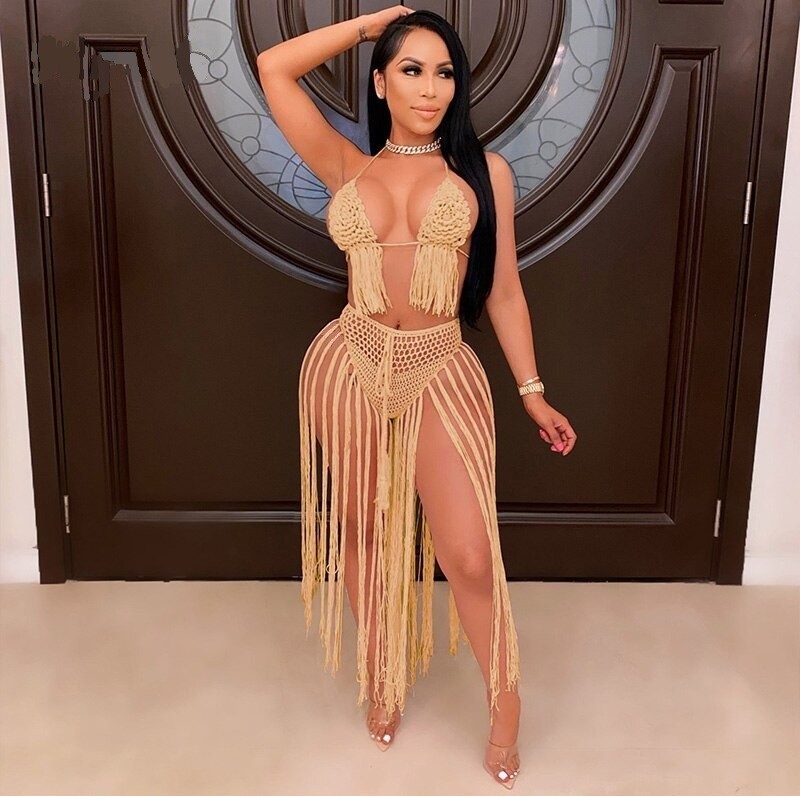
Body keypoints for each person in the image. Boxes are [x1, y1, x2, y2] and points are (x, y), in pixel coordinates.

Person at [256, 6, 577, 788]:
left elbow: (503, 291)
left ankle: (506, 704)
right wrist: (371, 24)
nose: (431, 89)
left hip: (439, 363)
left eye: (444, 73)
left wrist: (532, 391)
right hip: (351, 359)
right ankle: (381, 673)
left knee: (466, 553)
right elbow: (273, 67)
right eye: (411, 70)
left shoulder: (483, 174)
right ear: (380, 83)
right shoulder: (345, 165)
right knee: (364, 528)